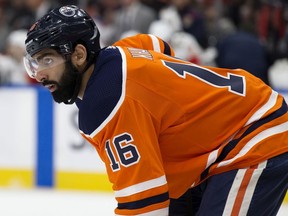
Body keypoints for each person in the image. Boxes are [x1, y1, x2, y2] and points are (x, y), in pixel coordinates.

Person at [23, 5, 288, 216]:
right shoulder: (123, 49)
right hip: (232, 132)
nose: (39, 74)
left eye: (48, 59)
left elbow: (144, 207)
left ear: (79, 55)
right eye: (34, 62)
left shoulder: (108, 103)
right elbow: (158, 46)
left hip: (256, 133)